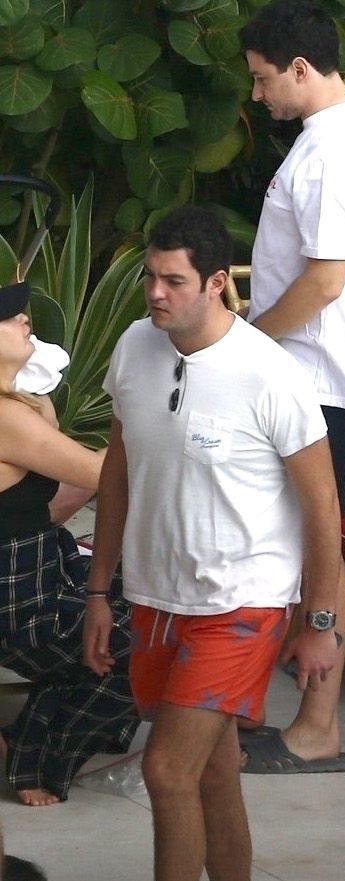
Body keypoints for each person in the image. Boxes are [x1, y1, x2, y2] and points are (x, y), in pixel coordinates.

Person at [82, 206, 343, 881]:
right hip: (156, 596)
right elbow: (117, 471)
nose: (155, 293)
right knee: (213, 770)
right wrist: (99, 590)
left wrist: (319, 623)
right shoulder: (134, 346)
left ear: (216, 282)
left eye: (173, 281)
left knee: (167, 769)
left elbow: (322, 506)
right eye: (149, 277)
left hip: (242, 602)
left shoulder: (269, 373)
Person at [239, 0, 345, 774]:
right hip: (324, 370)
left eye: (263, 79)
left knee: (319, 542)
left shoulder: (335, 149)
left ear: (300, 69)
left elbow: (325, 281)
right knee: (308, 539)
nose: (257, 95)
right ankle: (296, 711)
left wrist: (247, 338)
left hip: (322, 376)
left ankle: (317, 728)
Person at [0, 280, 139, 806]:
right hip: (16, 605)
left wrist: (39, 397)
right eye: (9, 317)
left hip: (37, 576)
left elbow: (51, 497)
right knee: (141, 642)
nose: (24, 320)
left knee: (150, 598)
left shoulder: (17, 405)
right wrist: (145, 417)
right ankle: (34, 756)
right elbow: (104, 474)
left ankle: (78, 723)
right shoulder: (6, 417)